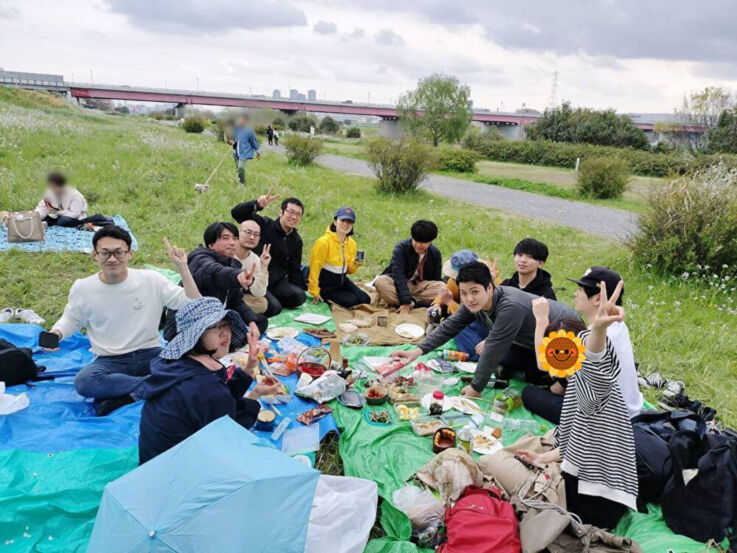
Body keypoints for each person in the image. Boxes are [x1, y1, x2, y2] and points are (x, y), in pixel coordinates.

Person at [515, 283, 638, 529]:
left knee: (507, 477)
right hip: (592, 489)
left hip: (595, 503)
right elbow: (577, 443)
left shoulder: (591, 384)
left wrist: (599, 329)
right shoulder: (574, 383)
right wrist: (542, 457)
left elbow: (595, 365)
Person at [44, 227, 200, 415]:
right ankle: (156, 385)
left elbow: (193, 303)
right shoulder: (83, 288)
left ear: (130, 254)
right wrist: (55, 334)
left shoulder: (151, 280)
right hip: (109, 362)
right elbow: (71, 318)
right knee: (84, 382)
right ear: (95, 255)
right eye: (105, 253)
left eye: (118, 252)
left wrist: (183, 268)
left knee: (190, 365)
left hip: (150, 354)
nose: (112, 259)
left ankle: (128, 395)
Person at [391, 262, 579, 395]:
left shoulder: (509, 306)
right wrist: (417, 351)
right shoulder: (473, 301)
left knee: (532, 381)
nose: (469, 299)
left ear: (490, 288)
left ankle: (558, 382)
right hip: (524, 340)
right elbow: (450, 326)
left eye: (475, 292)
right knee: (480, 343)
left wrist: (475, 388)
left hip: (563, 339)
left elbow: (493, 348)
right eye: (463, 293)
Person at [138, 297, 283, 464]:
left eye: (225, 325)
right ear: (196, 335)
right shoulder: (205, 387)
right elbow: (230, 434)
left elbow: (217, 400)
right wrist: (254, 397)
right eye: (214, 327)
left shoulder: (177, 364)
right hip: (176, 472)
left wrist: (249, 368)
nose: (224, 333)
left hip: (153, 461)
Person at [522, 267, 643, 423]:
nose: (575, 294)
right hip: (631, 410)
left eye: (580, 289)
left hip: (605, 422)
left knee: (529, 393)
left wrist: (541, 319)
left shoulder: (593, 339)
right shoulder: (618, 324)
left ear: (597, 299)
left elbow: (543, 364)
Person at [164, 222, 268, 341]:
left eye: (235, 238)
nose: (232, 242)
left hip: (215, 317)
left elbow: (236, 301)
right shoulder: (200, 258)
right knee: (230, 335)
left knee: (259, 322)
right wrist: (237, 276)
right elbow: (215, 272)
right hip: (190, 323)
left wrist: (252, 323)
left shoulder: (234, 263)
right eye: (225, 238)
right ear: (211, 244)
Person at [231, 188, 306, 315]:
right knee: (274, 308)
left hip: (277, 282)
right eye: (291, 212)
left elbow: (295, 268)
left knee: (300, 296)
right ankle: (247, 299)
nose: (294, 217)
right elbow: (237, 214)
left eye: (298, 214)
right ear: (281, 212)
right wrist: (257, 205)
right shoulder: (265, 224)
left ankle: (273, 299)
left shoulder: (296, 240)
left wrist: (298, 288)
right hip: (256, 279)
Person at [428, 250, 502, 361]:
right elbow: (447, 290)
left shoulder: (486, 283)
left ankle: (484, 357)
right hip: (475, 324)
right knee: (457, 329)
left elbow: (470, 314)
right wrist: (437, 304)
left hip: (490, 324)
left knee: (459, 328)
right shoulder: (455, 280)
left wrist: (450, 303)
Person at [375, 220, 445, 315]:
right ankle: (412, 302)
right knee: (381, 281)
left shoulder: (435, 253)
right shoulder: (401, 248)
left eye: (423, 243)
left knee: (442, 287)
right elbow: (398, 275)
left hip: (419, 287)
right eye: (416, 241)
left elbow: (435, 280)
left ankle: (412, 303)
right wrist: (405, 301)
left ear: (430, 242)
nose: (419, 245)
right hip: (399, 283)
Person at [308, 207, 370, 308]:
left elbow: (349, 270)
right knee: (352, 301)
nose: (346, 224)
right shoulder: (323, 242)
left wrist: (356, 264)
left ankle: (341, 294)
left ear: (352, 225)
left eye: (349, 222)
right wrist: (314, 291)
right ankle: (326, 297)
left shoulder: (352, 243)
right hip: (325, 286)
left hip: (341, 282)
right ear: (335, 222)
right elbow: (314, 268)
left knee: (366, 299)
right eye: (343, 220)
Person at [34, 171, 112, 228]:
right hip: (56, 215)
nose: (51, 188)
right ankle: (48, 222)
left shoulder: (75, 195)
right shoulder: (49, 192)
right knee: (42, 217)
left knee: (64, 221)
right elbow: (43, 207)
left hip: (74, 217)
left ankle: (97, 220)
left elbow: (75, 214)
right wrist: (34, 217)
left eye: (53, 186)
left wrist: (58, 213)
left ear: (61, 186)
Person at [235, 220, 274, 316]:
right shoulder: (228, 252)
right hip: (222, 295)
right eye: (248, 232)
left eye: (256, 234)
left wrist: (264, 266)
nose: (252, 237)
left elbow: (259, 293)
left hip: (240, 296)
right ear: (238, 233)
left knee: (262, 303)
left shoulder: (255, 259)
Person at [232, 114, 260, 187]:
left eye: (242, 119)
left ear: (245, 121)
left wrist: (258, 152)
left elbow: (254, 141)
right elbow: (233, 138)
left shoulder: (249, 131)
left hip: (245, 153)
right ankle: (239, 180)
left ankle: (242, 183)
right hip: (236, 152)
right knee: (237, 168)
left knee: (241, 167)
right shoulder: (236, 129)